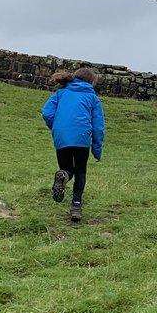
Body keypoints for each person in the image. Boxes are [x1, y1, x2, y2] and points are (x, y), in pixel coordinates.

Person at [41, 66, 105, 223]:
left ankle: (63, 177)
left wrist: (57, 127)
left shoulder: (60, 93)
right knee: (81, 171)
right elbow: (98, 126)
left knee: (67, 169)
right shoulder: (92, 98)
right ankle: (76, 206)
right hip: (82, 136)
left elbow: (47, 113)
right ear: (91, 82)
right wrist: (97, 150)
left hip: (61, 136)